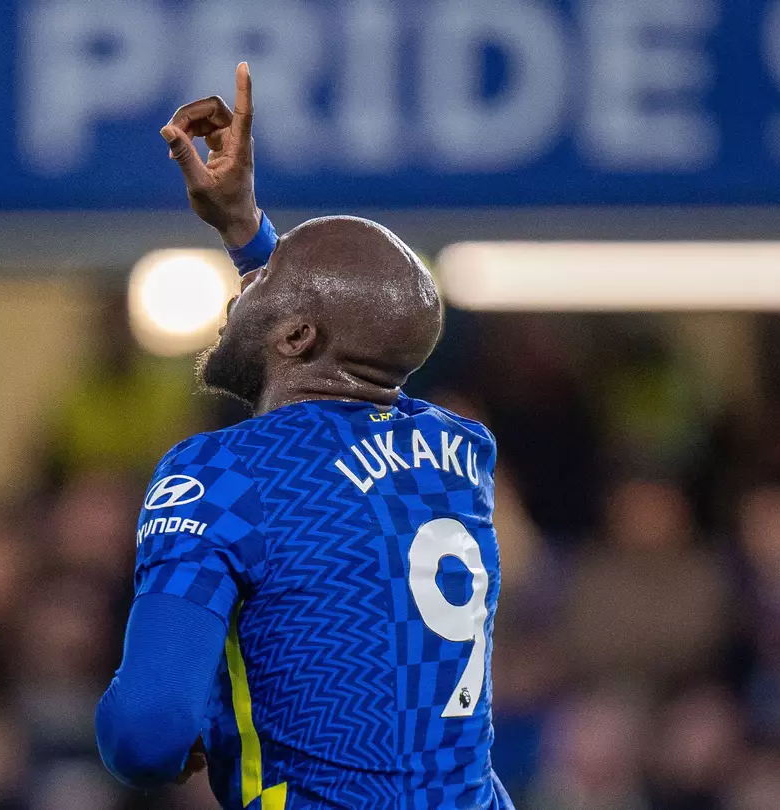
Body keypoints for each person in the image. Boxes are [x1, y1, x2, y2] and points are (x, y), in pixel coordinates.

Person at [95, 63, 513, 809]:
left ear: (294, 335)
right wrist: (250, 234)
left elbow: (148, 735)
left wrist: (176, 718)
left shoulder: (222, 476)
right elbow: (365, 341)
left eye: (264, 279)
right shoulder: (459, 456)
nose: (243, 283)